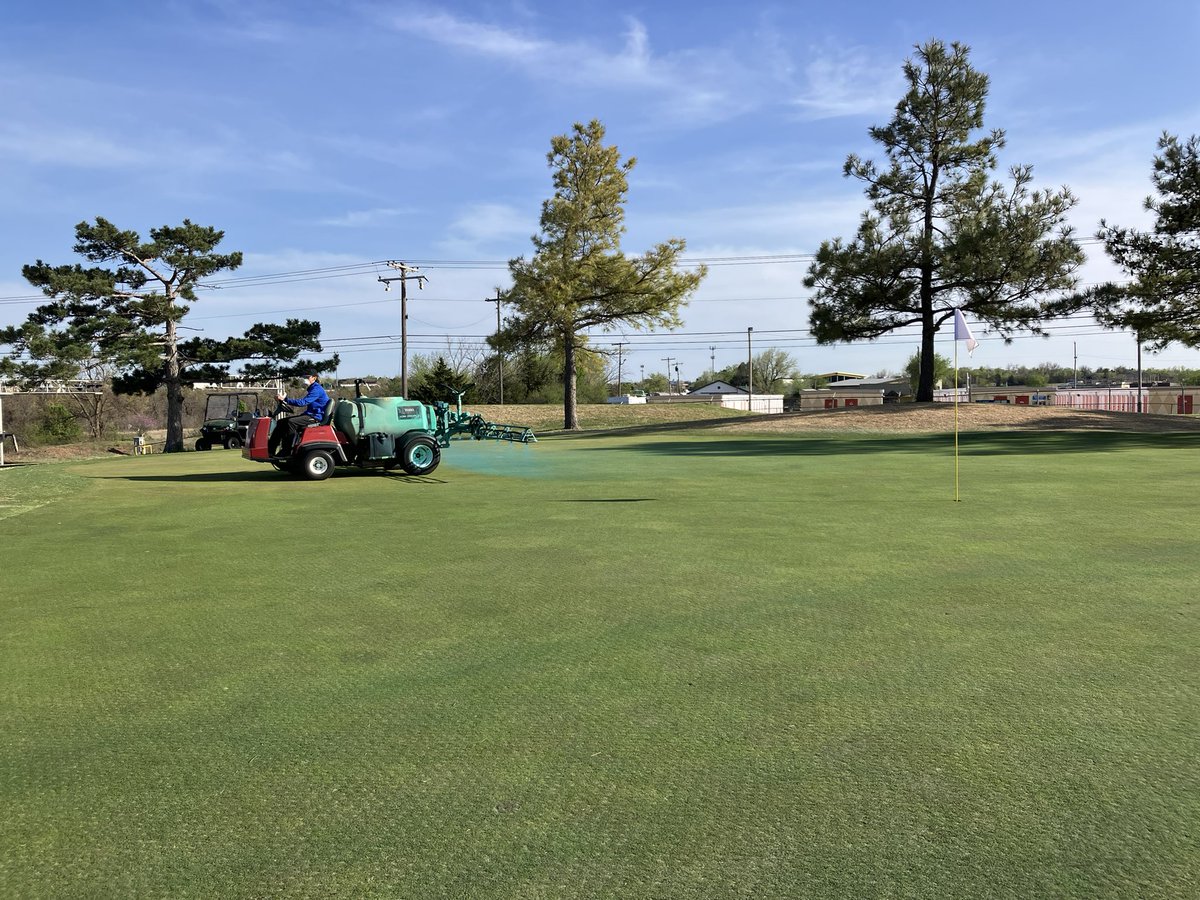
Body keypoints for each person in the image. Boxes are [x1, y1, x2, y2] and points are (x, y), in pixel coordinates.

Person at [269, 374, 330, 457]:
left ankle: (287, 450)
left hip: (316, 417)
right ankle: (270, 450)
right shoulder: (312, 389)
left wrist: (286, 399)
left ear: (314, 378)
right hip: (310, 415)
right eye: (303, 377)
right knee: (281, 422)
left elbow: (303, 402)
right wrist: (285, 400)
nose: (304, 379)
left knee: (291, 422)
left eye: (307, 377)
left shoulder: (317, 389)